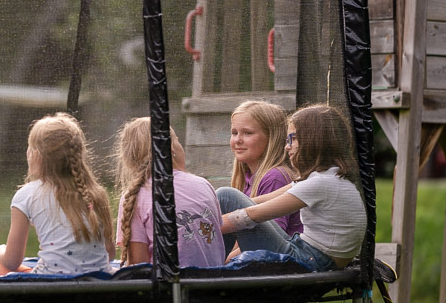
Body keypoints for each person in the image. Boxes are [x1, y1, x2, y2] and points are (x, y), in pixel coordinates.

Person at [217, 104, 366, 271]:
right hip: (309, 254)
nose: (287, 146)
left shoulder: (321, 183)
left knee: (227, 196)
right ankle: (210, 264)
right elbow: (256, 202)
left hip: (309, 260)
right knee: (227, 196)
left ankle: (208, 268)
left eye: (293, 139)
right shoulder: (327, 177)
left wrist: (202, 225)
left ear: (314, 139)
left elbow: (252, 215)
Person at [0, 112, 114, 277]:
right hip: (98, 283)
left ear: (36, 155)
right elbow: (109, 254)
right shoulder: (96, 193)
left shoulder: (26, 195)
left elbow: (11, 261)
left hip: (50, 285)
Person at [112, 117, 224, 268]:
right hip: (212, 284)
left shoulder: (134, 197)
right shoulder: (203, 184)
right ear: (171, 147)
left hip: (169, 288)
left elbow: (139, 265)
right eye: (177, 140)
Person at [218, 100, 301, 255]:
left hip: (281, 261)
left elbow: (267, 239)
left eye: (248, 133)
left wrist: (224, 265)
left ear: (272, 138)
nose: (237, 140)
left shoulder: (275, 177)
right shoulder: (248, 178)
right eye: (234, 133)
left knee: (225, 196)